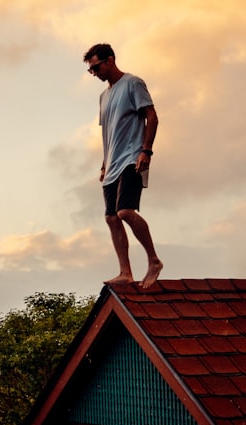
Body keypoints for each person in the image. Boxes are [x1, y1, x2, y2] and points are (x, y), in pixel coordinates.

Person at [84, 43, 163, 289]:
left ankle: (153, 261)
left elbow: (152, 116)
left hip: (133, 157)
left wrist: (146, 151)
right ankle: (125, 272)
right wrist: (104, 164)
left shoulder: (133, 83)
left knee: (125, 212)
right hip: (113, 164)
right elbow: (110, 132)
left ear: (110, 60)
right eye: (91, 70)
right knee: (110, 218)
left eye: (96, 67)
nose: (94, 73)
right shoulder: (103, 96)